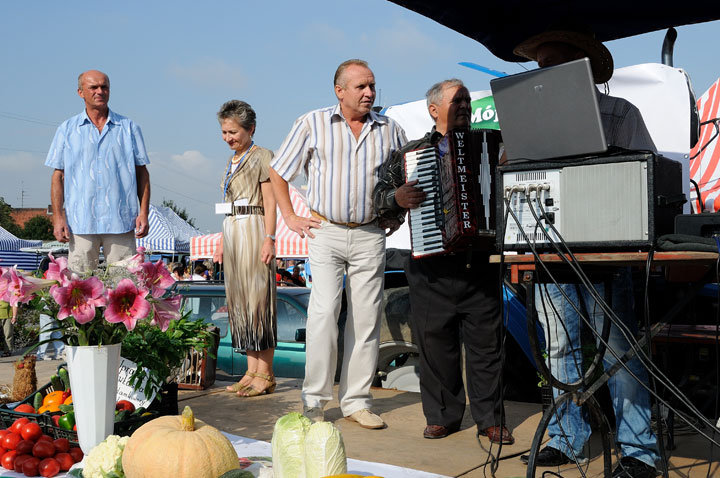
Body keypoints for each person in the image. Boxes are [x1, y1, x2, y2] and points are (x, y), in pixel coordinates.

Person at [512, 30, 659, 478]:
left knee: (621, 353)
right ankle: (566, 439)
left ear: (584, 66)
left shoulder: (621, 112)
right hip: (551, 253)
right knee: (559, 349)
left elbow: (644, 179)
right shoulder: (529, 121)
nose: (545, 73)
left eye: (555, 62)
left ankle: (638, 452)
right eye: (540, 67)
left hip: (607, 256)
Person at [373, 79, 513, 444]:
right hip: (431, 268)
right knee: (435, 348)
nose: (465, 106)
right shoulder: (412, 153)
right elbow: (379, 196)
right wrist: (396, 198)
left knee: (487, 349)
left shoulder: (494, 143)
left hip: (480, 262)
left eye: (467, 100)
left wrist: (509, 167)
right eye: (457, 101)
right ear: (433, 109)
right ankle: (442, 417)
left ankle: (491, 419)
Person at [270, 59, 407, 429]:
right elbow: (278, 171)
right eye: (361, 86)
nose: (369, 93)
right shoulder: (311, 123)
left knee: (365, 321)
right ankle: (314, 401)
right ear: (339, 90)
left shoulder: (391, 129)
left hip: (369, 233)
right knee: (323, 315)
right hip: (325, 231)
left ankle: (358, 402)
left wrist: (396, 214)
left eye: (373, 86)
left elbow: (403, 178)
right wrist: (290, 217)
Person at [45, 70, 151, 273]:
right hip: (81, 221)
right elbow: (58, 176)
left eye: (104, 87)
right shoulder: (66, 129)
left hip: (121, 220)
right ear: (80, 92)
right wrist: (58, 218)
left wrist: (144, 212)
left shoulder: (128, 128)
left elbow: (142, 174)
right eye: (93, 87)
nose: (100, 91)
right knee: (80, 286)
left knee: (124, 286)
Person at [213, 100, 278, 397]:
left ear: (250, 129)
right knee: (239, 301)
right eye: (224, 132)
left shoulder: (263, 156)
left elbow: (271, 199)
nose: (228, 138)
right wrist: (221, 241)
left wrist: (269, 237)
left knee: (258, 299)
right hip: (233, 226)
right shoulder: (231, 160)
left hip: (254, 224)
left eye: (233, 132)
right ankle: (250, 371)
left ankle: (266, 374)